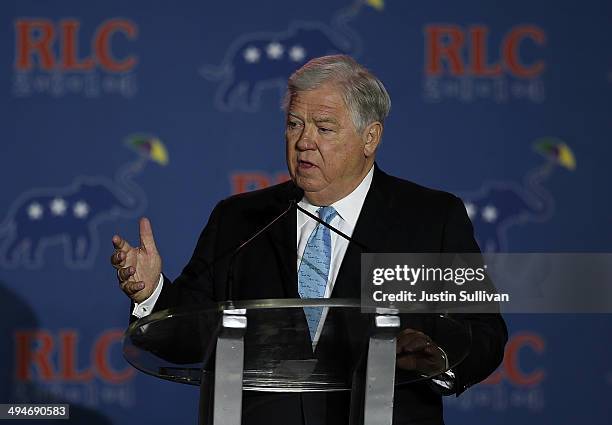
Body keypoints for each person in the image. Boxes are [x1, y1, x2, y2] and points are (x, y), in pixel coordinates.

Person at [111, 55, 507, 425]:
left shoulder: (428, 220)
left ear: (370, 138)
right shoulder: (240, 220)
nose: (303, 141)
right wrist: (151, 295)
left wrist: (436, 357)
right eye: (294, 123)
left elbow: (483, 333)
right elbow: (189, 336)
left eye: (324, 127)